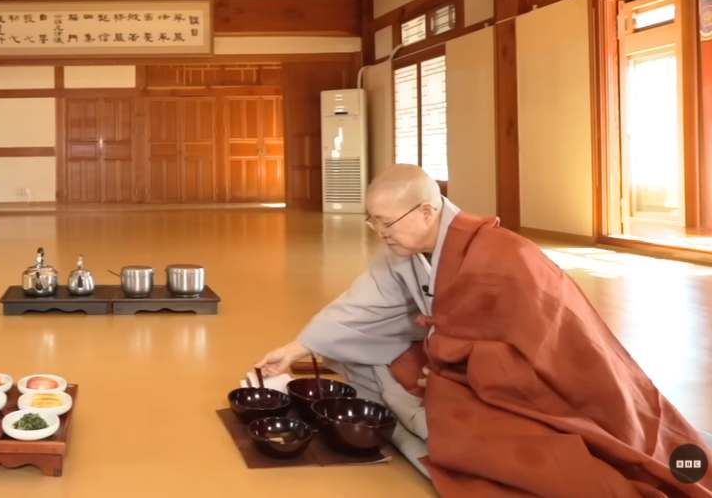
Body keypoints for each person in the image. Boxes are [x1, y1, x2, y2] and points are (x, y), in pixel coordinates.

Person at [257, 164, 711, 496]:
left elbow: (552, 343)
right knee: (371, 364)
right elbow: (361, 305)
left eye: (386, 222)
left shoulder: (500, 257)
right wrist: (295, 347)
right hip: (469, 366)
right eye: (371, 221)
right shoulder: (405, 252)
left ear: (426, 212)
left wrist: (456, 363)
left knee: (484, 437)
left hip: (552, 378)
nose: (379, 232)